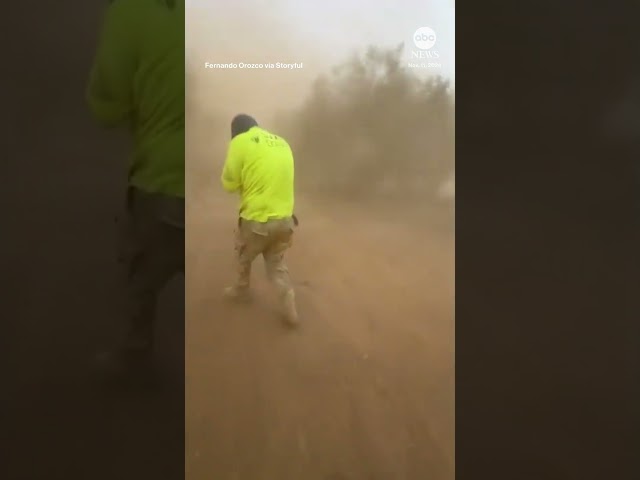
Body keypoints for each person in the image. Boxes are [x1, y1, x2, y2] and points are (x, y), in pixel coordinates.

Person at [86, 0, 185, 375]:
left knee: (140, 278)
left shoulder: (131, 9)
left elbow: (108, 104)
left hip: (160, 183)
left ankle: (134, 356)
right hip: (218, 180)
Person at [221, 114, 299, 327]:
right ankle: (288, 301)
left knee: (243, 253)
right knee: (276, 265)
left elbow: (229, 184)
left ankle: (241, 289)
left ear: (236, 131)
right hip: (285, 220)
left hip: (256, 220)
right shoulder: (282, 142)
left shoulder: (240, 142)